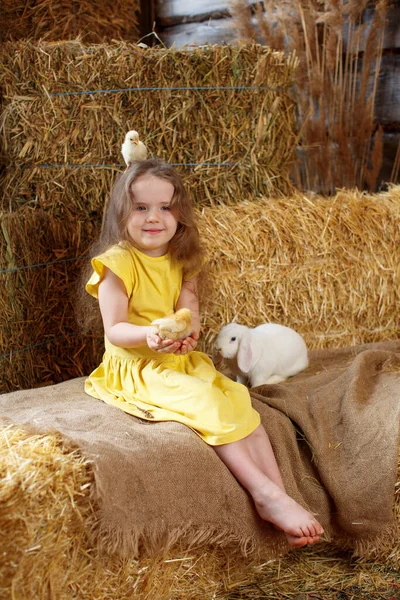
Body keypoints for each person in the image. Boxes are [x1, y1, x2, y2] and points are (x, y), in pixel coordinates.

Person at [83, 158, 324, 548]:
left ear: (181, 214)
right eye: (141, 208)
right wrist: (152, 335)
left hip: (177, 360)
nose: (153, 218)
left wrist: (188, 334)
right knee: (207, 402)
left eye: (165, 207)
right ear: (122, 213)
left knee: (239, 402)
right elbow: (117, 331)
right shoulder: (117, 263)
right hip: (137, 366)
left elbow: (188, 312)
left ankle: (280, 496)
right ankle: (263, 494)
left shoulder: (184, 257)